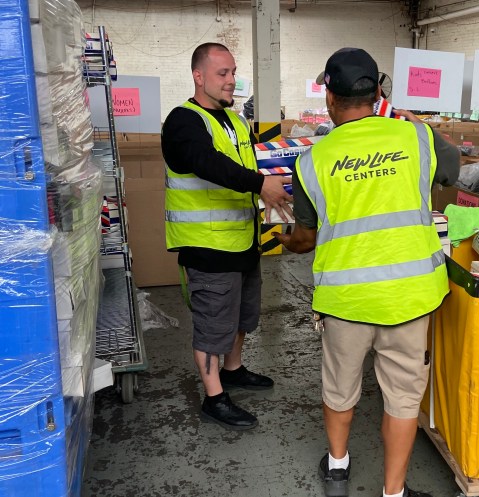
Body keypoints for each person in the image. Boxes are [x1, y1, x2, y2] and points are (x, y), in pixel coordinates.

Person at [274, 47, 460, 497]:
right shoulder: (415, 139)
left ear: (330, 100)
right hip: (410, 296)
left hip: (346, 300)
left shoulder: (311, 160)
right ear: (379, 93)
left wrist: (285, 242)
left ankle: (337, 467)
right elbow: (451, 172)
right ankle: (392, 492)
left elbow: (307, 235)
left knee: (340, 386)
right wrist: (418, 123)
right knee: (402, 397)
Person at [161, 42, 293, 431]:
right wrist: (260, 184)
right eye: (223, 73)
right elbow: (207, 163)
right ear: (198, 76)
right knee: (212, 324)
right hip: (207, 247)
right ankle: (214, 397)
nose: (232, 80)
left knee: (241, 315)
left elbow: (257, 165)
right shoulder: (184, 122)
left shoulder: (234, 122)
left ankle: (233, 370)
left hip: (241, 239)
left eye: (234, 72)